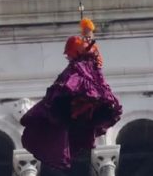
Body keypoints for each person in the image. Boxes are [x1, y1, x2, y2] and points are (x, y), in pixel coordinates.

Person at [20, 18, 123, 173]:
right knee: (70, 96)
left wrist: (87, 31)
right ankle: (80, 107)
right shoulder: (84, 64)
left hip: (85, 89)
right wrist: (87, 31)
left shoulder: (82, 64)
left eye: (69, 54)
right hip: (85, 91)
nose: (67, 57)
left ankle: (81, 106)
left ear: (74, 52)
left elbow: (90, 41)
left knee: (70, 94)